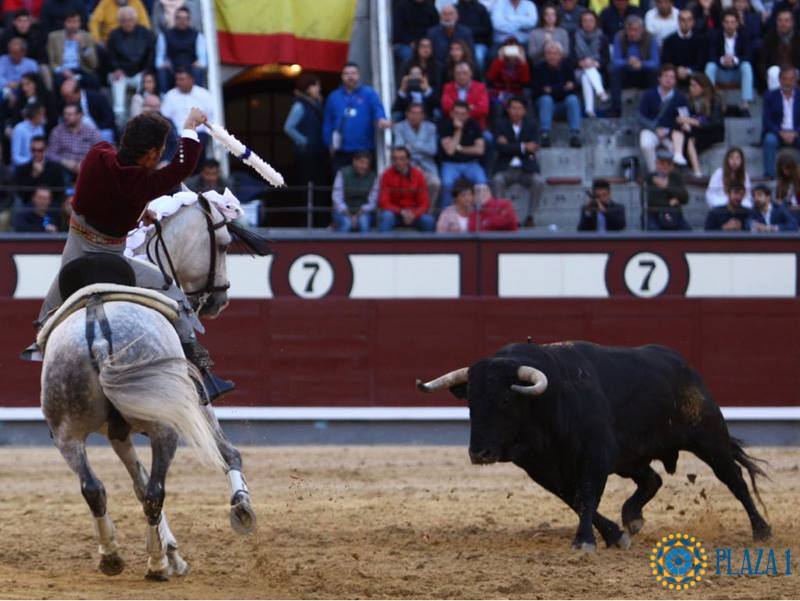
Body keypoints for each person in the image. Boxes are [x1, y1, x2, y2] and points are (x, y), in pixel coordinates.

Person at [22, 108, 235, 402]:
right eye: (160, 151)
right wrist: (189, 126)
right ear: (150, 154)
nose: (160, 157)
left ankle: (41, 349)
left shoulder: (97, 154)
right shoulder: (143, 185)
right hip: (113, 259)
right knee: (172, 293)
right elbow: (181, 167)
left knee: (51, 310)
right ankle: (201, 373)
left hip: (76, 252)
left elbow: (108, 195)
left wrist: (137, 210)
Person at [322, 62, 391, 173]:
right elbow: (328, 122)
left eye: (353, 73)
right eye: (347, 74)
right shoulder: (333, 97)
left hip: (364, 148)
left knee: (364, 181)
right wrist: (328, 143)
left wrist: (381, 119)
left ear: (359, 75)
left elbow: (377, 109)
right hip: (341, 150)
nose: (350, 77)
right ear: (342, 76)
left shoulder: (369, 93)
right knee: (341, 180)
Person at [492, 96, 545, 226]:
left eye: (519, 108)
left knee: (539, 181)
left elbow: (534, 147)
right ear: (508, 110)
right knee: (497, 180)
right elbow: (499, 147)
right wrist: (523, 147)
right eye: (513, 108)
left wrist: (510, 146)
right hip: (506, 168)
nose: (516, 111)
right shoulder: (500, 124)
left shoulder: (532, 124)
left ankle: (531, 216)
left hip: (526, 168)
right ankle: (504, 217)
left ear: (525, 111)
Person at [106, 6, 155, 127]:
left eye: (130, 20)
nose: (127, 23)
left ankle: (142, 116)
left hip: (140, 72)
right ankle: (119, 117)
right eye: (124, 21)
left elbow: (150, 55)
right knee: (117, 81)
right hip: (121, 73)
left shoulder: (145, 33)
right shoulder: (114, 35)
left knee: (147, 81)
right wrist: (116, 69)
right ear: (119, 22)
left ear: (135, 20)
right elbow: (110, 56)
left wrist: (146, 71)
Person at [532, 41, 582, 147]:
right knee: (546, 100)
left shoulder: (567, 66)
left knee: (572, 99)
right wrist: (562, 87)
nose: (552, 56)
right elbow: (538, 91)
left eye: (555, 53)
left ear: (560, 55)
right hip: (544, 107)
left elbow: (572, 88)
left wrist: (552, 89)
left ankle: (575, 135)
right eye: (549, 53)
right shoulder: (538, 68)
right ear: (545, 55)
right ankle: (545, 134)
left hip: (563, 105)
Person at [637, 64, 686, 173]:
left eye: (672, 77)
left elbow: (683, 119)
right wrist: (655, 128)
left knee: (676, 150)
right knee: (646, 144)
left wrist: (668, 130)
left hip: (670, 133)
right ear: (659, 78)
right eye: (665, 76)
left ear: (675, 81)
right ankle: (654, 173)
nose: (668, 79)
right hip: (651, 130)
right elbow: (640, 117)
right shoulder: (649, 94)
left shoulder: (680, 98)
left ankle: (671, 177)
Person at [673, 72, 724, 176]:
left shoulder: (715, 100)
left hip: (712, 131)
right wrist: (686, 122)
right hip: (696, 130)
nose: (691, 88)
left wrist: (691, 122)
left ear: (703, 87)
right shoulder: (688, 100)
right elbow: (684, 116)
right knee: (681, 131)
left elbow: (715, 123)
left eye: (694, 85)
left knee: (690, 139)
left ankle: (697, 171)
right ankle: (686, 163)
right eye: (690, 85)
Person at [438, 100, 488, 207]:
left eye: (463, 114)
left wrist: (459, 148)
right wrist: (458, 130)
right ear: (451, 113)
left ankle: (480, 214)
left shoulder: (474, 124)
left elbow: (480, 150)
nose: (459, 117)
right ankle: (446, 212)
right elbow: (450, 151)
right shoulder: (444, 124)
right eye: (456, 113)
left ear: (468, 114)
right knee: (447, 184)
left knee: (482, 182)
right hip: (450, 164)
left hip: (471, 163)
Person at [609, 15, 660, 116]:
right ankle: (616, 109)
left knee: (654, 72)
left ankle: (653, 109)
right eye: (629, 30)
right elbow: (615, 61)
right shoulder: (619, 36)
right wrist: (628, 62)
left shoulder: (650, 38)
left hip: (644, 74)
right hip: (626, 73)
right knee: (614, 71)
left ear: (642, 30)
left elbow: (655, 62)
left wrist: (641, 64)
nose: (632, 33)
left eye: (636, 30)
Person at [705, 9, 753, 113]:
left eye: (732, 22)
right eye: (726, 22)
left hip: (736, 72)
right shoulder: (715, 35)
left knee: (746, 66)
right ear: (722, 24)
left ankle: (745, 102)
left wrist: (734, 60)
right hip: (721, 72)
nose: (729, 25)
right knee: (710, 66)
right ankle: (709, 100)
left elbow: (748, 56)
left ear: (737, 23)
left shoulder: (744, 35)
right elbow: (711, 56)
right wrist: (723, 60)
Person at [284, 73, 328, 187]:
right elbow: (288, 127)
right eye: (316, 86)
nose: (319, 89)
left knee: (319, 180)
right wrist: (305, 141)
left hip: (318, 150)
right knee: (308, 181)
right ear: (308, 88)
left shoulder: (316, 104)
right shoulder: (299, 106)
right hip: (307, 152)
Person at [393, 102, 441, 204]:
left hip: (427, 166)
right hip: (408, 166)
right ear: (407, 114)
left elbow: (432, 150)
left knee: (435, 183)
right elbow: (400, 148)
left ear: (423, 115)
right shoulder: (399, 127)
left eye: (418, 113)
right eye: (412, 113)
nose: (415, 116)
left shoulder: (431, 127)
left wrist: (412, 145)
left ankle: (428, 209)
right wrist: (422, 147)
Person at [378, 146, 434, 232]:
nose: (398, 162)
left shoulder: (418, 175)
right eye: (395, 159)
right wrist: (401, 211)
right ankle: (382, 241)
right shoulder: (386, 175)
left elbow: (424, 203)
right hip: (395, 213)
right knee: (386, 216)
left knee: (428, 220)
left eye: (402, 159)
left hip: (414, 214)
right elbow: (383, 202)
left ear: (408, 160)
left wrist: (414, 214)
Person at [46, 103, 103, 181]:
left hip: (87, 167)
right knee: (56, 171)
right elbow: (50, 154)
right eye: (65, 114)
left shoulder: (91, 132)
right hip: (64, 168)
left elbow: (101, 152)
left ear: (79, 115)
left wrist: (85, 163)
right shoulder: (57, 131)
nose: (66, 117)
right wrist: (65, 162)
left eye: (69, 114)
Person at [155, 6, 207, 90]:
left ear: (189, 20)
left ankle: (196, 95)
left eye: (185, 18)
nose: (182, 21)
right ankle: (164, 95)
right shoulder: (164, 36)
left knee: (198, 69)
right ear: (175, 19)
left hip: (191, 69)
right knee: (162, 70)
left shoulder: (198, 36)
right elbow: (159, 59)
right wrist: (163, 64)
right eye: (179, 18)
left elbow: (203, 60)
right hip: (172, 69)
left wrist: (199, 63)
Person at [762, 65, 800, 178]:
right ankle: (770, 175)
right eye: (785, 79)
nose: (788, 82)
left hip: (796, 132)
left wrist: (795, 132)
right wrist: (780, 132)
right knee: (769, 140)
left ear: (796, 80)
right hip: (777, 132)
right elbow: (766, 121)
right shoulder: (770, 96)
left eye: (791, 79)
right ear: (779, 80)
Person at [46, 9, 99, 90]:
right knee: (59, 81)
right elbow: (52, 62)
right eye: (69, 21)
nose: (72, 25)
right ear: (64, 23)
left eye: (75, 22)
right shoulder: (53, 37)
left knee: (94, 81)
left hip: (81, 70)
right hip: (63, 71)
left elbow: (93, 64)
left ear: (80, 23)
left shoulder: (87, 37)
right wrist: (62, 70)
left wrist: (84, 47)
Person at [160, 67, 214, 144]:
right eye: (177, 79)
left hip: (199, 134)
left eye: (181, 79)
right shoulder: (170, 95)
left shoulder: (204, 94)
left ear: (191, 79)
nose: (178, 82)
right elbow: (165, 117)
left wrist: (208, 132)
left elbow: (211, 116)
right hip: (177, 136)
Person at [574, 10, 610, 117]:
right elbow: (570, 57)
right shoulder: (574, 36)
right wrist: (580, 63)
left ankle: (589, 109)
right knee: (587, 71)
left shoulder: (602, 37)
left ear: (596, 22)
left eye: (591, 21)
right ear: (581, 23)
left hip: (597, 70)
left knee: (586, 76)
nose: (588, 23)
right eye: (585, 21)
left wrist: (595, 63)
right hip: (578, 69)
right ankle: (600, 92)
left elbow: (606, 59)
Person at [331, 151, 378, 233]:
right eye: (361, 162)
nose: (364, 166)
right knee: (347, 223)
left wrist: (358, 214)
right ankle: (340, 241)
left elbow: (373, 201)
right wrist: (348, 214)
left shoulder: (373, 177)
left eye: (367, 163)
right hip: (343, 211)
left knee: (363, 222)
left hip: (363, 211)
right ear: (354, 161)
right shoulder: (342, 173)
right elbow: (336, 197)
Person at [644, 147, 690, 230]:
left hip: (674, 214)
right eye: (662, 163)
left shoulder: (676, 177)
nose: (664, 167)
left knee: (687, 230)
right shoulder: (650, 178)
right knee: (653, 230)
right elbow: (649, 200)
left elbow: (685, 197)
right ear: (657, 163)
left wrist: (666, 187)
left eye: (668, 164)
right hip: (655, 214)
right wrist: (671, 202)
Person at [60, 77, 115, 143]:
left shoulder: (97, 97)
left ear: (77, 92)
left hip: (98, 129)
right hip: (75, 132)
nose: (66, 100)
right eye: (64, 97)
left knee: (106, 134)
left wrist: (97, 129)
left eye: (68, 97)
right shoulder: (65, 103)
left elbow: (109, 118)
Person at [660, 10, 707, 86]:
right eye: (683, 20)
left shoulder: (700, 40)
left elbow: (701, 62)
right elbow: (666, 62)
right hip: (674, 75)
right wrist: (677, 70)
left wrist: (688, 71)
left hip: (694, 75)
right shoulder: (669, 41)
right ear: (678, 22)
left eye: (689, 20)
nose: (686, 23)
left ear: (693, 22)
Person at [14, 136, 65, 205]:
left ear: (46, 149)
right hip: (29, 206)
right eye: (33, 150)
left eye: (40, 150)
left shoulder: (56, 168)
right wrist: (33, 176)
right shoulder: (22, 169)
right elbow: (21, 194)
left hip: (51, 206)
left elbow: (60, 192)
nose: (36, 153)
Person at [441, 61, 490, 131]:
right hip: (453, 127)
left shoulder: (480, 87)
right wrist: (470, 108)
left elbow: (483, 110)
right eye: (458, 73)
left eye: (465, 73)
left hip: (476, 128)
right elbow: (446, 107)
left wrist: (457, 111)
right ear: (454, 74)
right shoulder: (448, 87)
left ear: (471, 73)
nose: (461, 77)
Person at [392, 0, 440, 68]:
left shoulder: (431, 7)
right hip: (406, 43)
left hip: (426, 42)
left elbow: (436, 28)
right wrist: (410, 42)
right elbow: (397, 31)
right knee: (408, 55)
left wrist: (425, 42)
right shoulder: (402, 7)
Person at [761, 9, 800, 91]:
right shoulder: (769, 38)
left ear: (792, 22)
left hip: (795, 69)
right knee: (773, 71)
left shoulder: (798, 37)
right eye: (780, 20)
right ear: (776, 22)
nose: (783, 24)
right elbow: (763, 62)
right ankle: (776, 98)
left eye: (786, 20)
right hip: (778, 71)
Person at [486, 40, 530, 110]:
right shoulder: (498, 61)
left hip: (516, 93)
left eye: (514, 49)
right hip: (500, 93)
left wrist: (523, 62)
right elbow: (490, 78)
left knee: (523, 100)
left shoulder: (523, 63)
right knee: (497, 105)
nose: (511, 52)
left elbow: (525, 81)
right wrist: (500, 59)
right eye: (509, 48)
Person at [455, 0, 493, 69]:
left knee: (479, 57)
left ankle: (478, 75)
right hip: (459, 42)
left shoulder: (481, 8)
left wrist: (469, 32)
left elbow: (487, 29)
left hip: (477, 42)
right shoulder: (455, 8)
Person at [11, 102, 45, 167]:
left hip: (38, 166)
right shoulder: (19, 129)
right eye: (41, 114)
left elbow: (42, 151)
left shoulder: (40, 129)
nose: (43, 117)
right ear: (35, 115)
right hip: (22, 167)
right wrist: (31, 163)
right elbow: (15, 157)